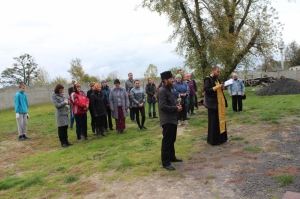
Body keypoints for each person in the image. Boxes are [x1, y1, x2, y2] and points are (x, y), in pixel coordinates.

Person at [158, 71, 183, 171]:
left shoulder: (169, 88)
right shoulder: (162, 90)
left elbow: (169, 103)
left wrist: (175, 106)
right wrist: (175, 108)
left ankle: (172, 157)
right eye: (171, 79)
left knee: (172, 139)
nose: (173, 80)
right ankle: (165, 162)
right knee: (167, 141)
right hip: (167, 120)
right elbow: (162, 106)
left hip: (172, 118)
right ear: (165, 80)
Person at [203, 66, 228, 146]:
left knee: (220, 121)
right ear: (213, 71)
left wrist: (222, 88)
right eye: (217, 71)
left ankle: (221, 139)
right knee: (214, 122)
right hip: (212, 104)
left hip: (220, 103)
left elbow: (218, 90)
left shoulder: (217, 79)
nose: (218, 73)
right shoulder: (208, 79)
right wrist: (217, 87)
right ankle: (213, 140)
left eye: (219, 72)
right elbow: (207, 90)